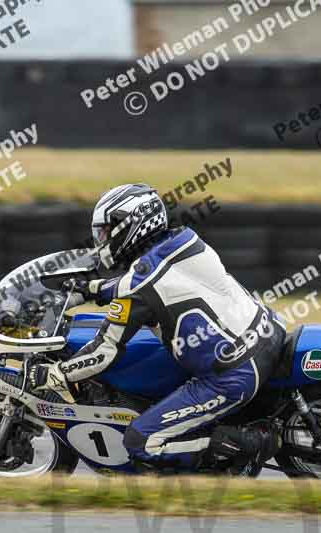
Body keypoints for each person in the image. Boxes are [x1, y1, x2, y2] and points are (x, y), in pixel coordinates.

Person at [27, 183, 285, 471]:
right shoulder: (183, 240)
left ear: (130, 225)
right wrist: (88, 290)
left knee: (140, 441)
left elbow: (104, 351)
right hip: (266, 332)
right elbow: (148, 284)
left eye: (105, 231)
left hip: (232, 375)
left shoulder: (140, 284)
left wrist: (56, 373)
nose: (101, 240)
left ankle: (250, 442)